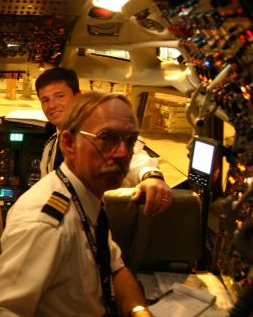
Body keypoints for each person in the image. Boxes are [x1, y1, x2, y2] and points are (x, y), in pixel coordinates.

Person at [0, 91, 171, 317]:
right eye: (106, 138)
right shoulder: (47, 224)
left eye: (129, 141)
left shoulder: (86, 196)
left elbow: (115, 266)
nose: (121, 153)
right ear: (68, 144)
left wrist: (141, 316)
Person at [36, 67, 172, 216]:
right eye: (45, 100)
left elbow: (136, 160)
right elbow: (45, 188)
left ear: (78, 97)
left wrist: (153, 177)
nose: (52, 105)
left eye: (60, 96)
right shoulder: (50, 149)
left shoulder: (102, 135)